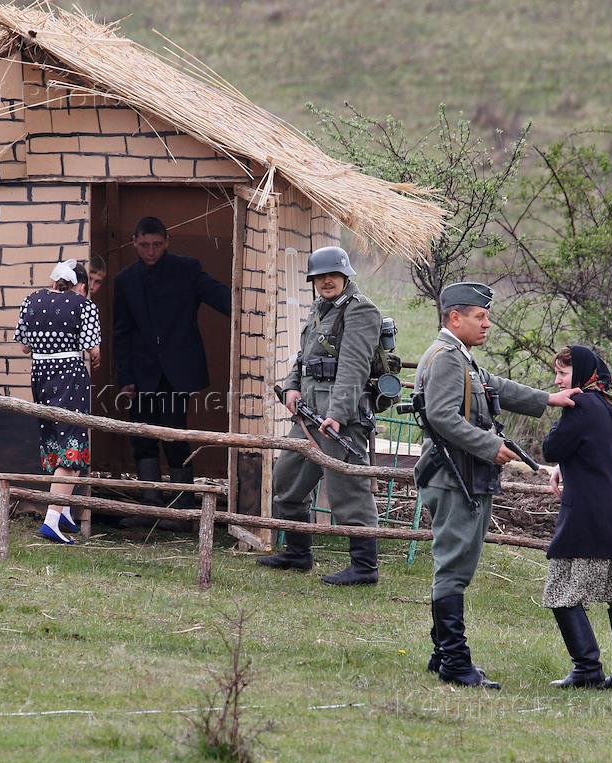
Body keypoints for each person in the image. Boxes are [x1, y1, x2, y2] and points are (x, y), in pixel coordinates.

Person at [414, 282, 580, 688]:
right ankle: (455, 663)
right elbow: (442, 417)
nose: (487, 324)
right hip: (454, 476)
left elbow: (495, 386)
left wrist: (548, 399)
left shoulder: (458, 355)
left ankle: (442, 654)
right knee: (454, 567)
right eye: (480, 317)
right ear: (456, 318)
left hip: (462, 474)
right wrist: (490, 446)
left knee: (457, 565)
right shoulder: (446, 358)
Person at [256, 246, 383, 586]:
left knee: (348, 491)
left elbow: (354, 367)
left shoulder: (360, 310)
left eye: (333, 275)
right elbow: (304, 358)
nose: (326, 281)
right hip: (309, 415)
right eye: (320, 276)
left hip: (341, 421)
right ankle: (297, 553)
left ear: (345, 275)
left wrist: (338, 414)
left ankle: (365, 567)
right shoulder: (320, 309)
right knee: (287, 480)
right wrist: (291, 387)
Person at [112, 217, 231, 527]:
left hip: (177, 371)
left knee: (175, 434)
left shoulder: (186, 269)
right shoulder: (125, 280)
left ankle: (182, 508)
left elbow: (217, 294)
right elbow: (121, 332)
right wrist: (125, 378)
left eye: (156, 244)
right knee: (142, 436)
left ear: (167, 242)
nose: (151, 251)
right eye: (144, 245)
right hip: (142, 372)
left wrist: (250, 305)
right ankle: (150, 506)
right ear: (134, 242)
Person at [542, 345, 612, 690]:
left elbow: (552, 447)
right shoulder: (608, 404)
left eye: (563, 373)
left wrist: (559, 452)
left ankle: (587, 668)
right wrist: (564, 466)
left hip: (586, 512)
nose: (557, 380)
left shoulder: (581, 404)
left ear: (583, 374)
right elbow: (590, 449)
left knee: (561, 590)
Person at [15, 260, 102, 543]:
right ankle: (51, 519)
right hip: (69, 377)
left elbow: (24, 345)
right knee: (72, 443)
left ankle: (63, 510)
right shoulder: (83, 305)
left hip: (40, 374)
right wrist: (95, 355)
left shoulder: (31, 300)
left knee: (54, 436)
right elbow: (92, 348)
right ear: (81, 286)